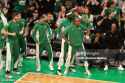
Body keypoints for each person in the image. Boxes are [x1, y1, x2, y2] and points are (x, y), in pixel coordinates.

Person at [4, 12, 21, 78]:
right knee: (9, 57)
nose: (20, 17)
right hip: (10, 42)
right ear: (15, 17)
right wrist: (11, 34)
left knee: (17, 55)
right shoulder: (9, 23)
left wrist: (20, 32)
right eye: (19, 16)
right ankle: (7, 73)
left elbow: (17, 32)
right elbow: (3, 32)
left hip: (16, 42)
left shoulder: (18, 24)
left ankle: (15, 69)